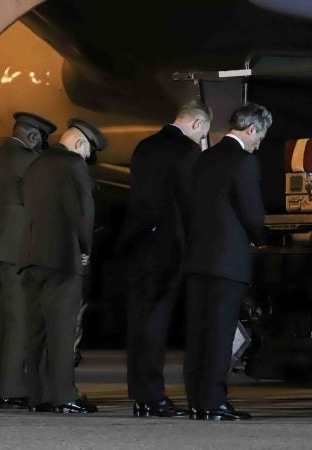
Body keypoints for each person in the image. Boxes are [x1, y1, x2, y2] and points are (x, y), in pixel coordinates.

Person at [119, 100, 212, 417]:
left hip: (138, 243)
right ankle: (154, 396)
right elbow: (190, 205)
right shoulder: (186, 152)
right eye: (203, 135)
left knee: (140, 322)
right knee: (157, 323)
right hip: (169, 248)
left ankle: (142, 395)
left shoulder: (143, 147)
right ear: (198, 124)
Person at [183, 103, 272, 420]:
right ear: (250, 130)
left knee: (198, 334)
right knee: (220, 335)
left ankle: (196, 401)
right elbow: (252, 214)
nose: (258, 143)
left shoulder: (203, 159)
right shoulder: (244, 162)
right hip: (227, 261)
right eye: (259, 137)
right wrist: (262, 239)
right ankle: (214, 402)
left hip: (197, 259)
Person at [19, 118, 106, 414]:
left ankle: (38, 396)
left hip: (31, 257)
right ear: (80, 144)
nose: (86, 160)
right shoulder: (73, 166)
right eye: (86, 153)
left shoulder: (36, 165)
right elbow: (83, 213)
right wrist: (85, 249)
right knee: (62, 331)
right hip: (62, 259)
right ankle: (64, 395)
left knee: (37, 331)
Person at [0, 112, 57, 409]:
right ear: (34, 136)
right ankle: (12, 389)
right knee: (19, 318)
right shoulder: (30, 162)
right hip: (17, 245)